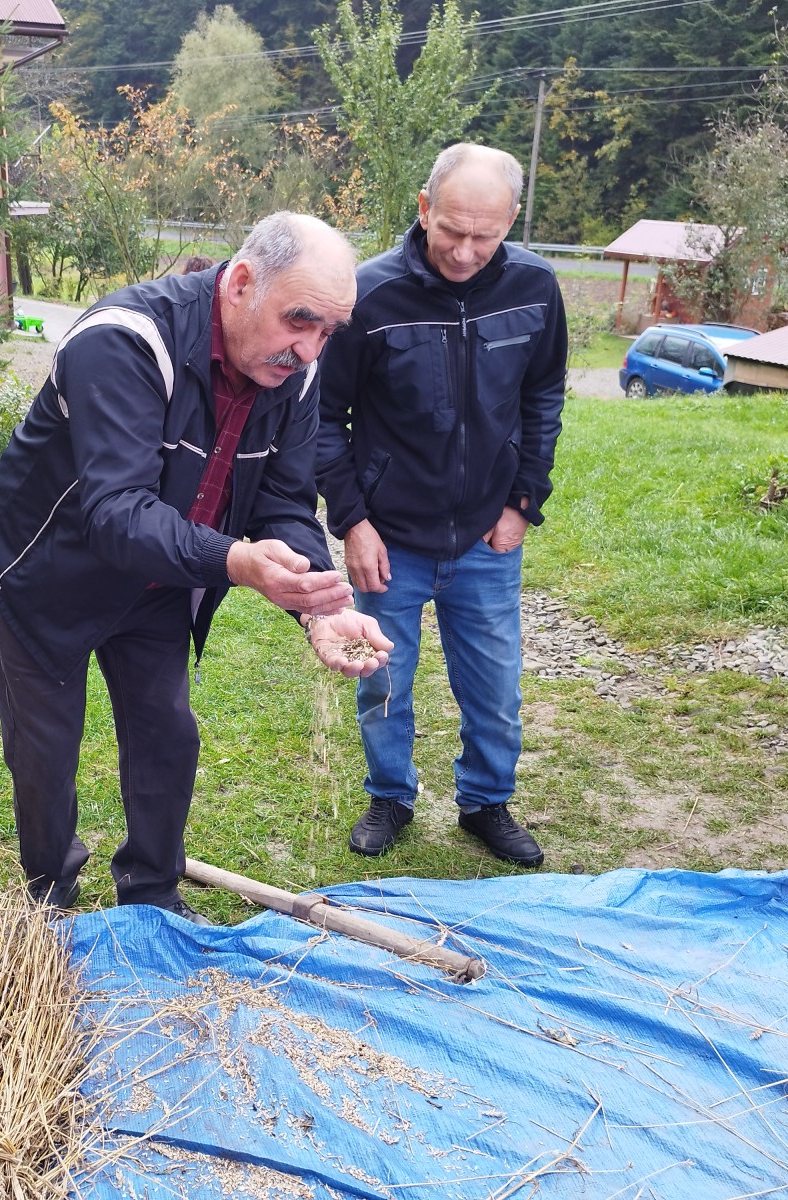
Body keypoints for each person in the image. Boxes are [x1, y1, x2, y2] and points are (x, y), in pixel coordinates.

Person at [0, 212, 392, 923]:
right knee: (46, 746)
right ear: (241, 283)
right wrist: (234, 560)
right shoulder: (123, 340)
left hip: (163, 575)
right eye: (299, 320)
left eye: (329, 331)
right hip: (48, 571)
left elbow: (286, 501)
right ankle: (50, 888)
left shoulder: (294, 372)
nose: (310, 348)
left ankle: (151, 892)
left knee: (166, 732)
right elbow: (115, 512)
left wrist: (317, 602)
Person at [316, 144, 568, 867]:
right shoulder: (370, 295)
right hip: (387, 537)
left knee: (494, 687)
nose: (464, 251)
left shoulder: (535, 287)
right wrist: (353, 521)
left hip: (486, 535)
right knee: (381, 679)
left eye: (484, 236)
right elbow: (323, 417)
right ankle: (390, 795)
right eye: (452, 229)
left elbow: (543, 397)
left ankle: (486, 802)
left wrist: (524, 501)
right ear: (425, 208)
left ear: (511, 221)